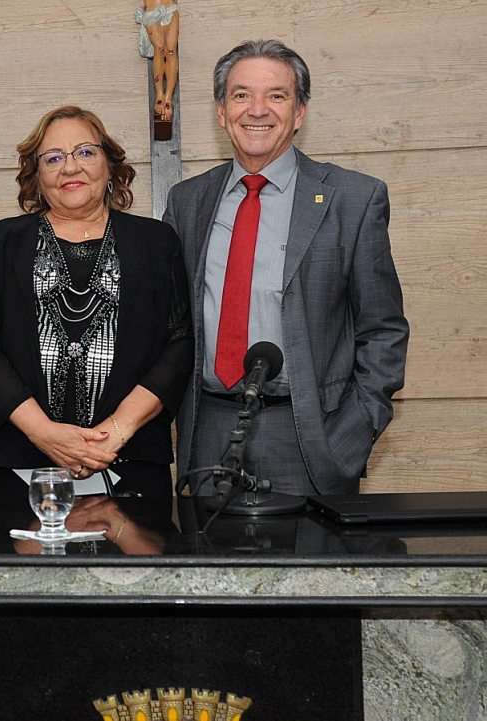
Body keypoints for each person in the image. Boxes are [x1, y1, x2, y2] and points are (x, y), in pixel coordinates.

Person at [163, 40, 408, 496]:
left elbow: (384, 330)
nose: (257, 110)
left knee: (315, 567)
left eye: (276, 95)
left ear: (299, 112)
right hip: (209, 430)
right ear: (221, 111)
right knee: (207, 568)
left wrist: (351, 435)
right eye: (241, 95)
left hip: (311, 435)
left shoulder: (353, 198)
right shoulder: (188, 201)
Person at [0, 106, 193, 501]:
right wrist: (46, 435)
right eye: (53, 159)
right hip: (26, 462)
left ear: (110, 165)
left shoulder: (157, 242)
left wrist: (113, 435)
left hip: (132, 459)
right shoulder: (0, 242)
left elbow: (179, 343)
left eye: (85, 152)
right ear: (37, 177)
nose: (70, 168)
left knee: (137, 564)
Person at [136, 0, 180, 122]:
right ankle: (159, 94)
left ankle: (168, 97)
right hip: (151, 11)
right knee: (160, 49)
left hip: (170, 8)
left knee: (170, 51)